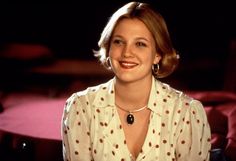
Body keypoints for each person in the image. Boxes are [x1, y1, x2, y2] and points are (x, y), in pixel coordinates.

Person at [61, 2, 211, 161]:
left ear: (157, 55)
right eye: (119, 41)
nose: (127, 53)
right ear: (108, 47)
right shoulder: (81, 107)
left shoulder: (187, 113)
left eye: (140, 44)